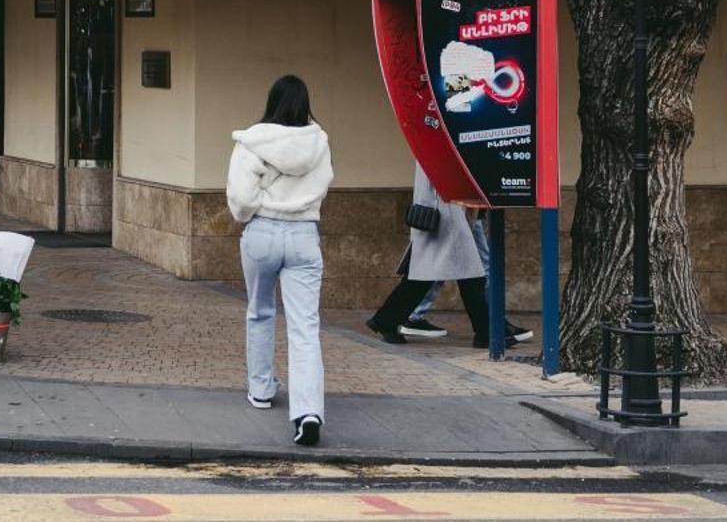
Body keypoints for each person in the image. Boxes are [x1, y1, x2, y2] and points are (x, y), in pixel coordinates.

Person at [226, 74, 333, 448]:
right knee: (305, 327)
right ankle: (308, 413)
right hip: (304, 234)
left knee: (260, 311)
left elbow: (240, 199)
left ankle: (260, 389)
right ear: (306, 105)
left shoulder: (252, 141)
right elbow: (322, 185)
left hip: (262, 233)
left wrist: (259, 208)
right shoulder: (318, 142)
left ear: (271, 102)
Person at [367, 166, 530, 348]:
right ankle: (485, 331)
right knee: (469, 273)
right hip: (445, 209)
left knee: (428, 276)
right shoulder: (434, 137)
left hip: (451, 207)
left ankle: (386, 320)